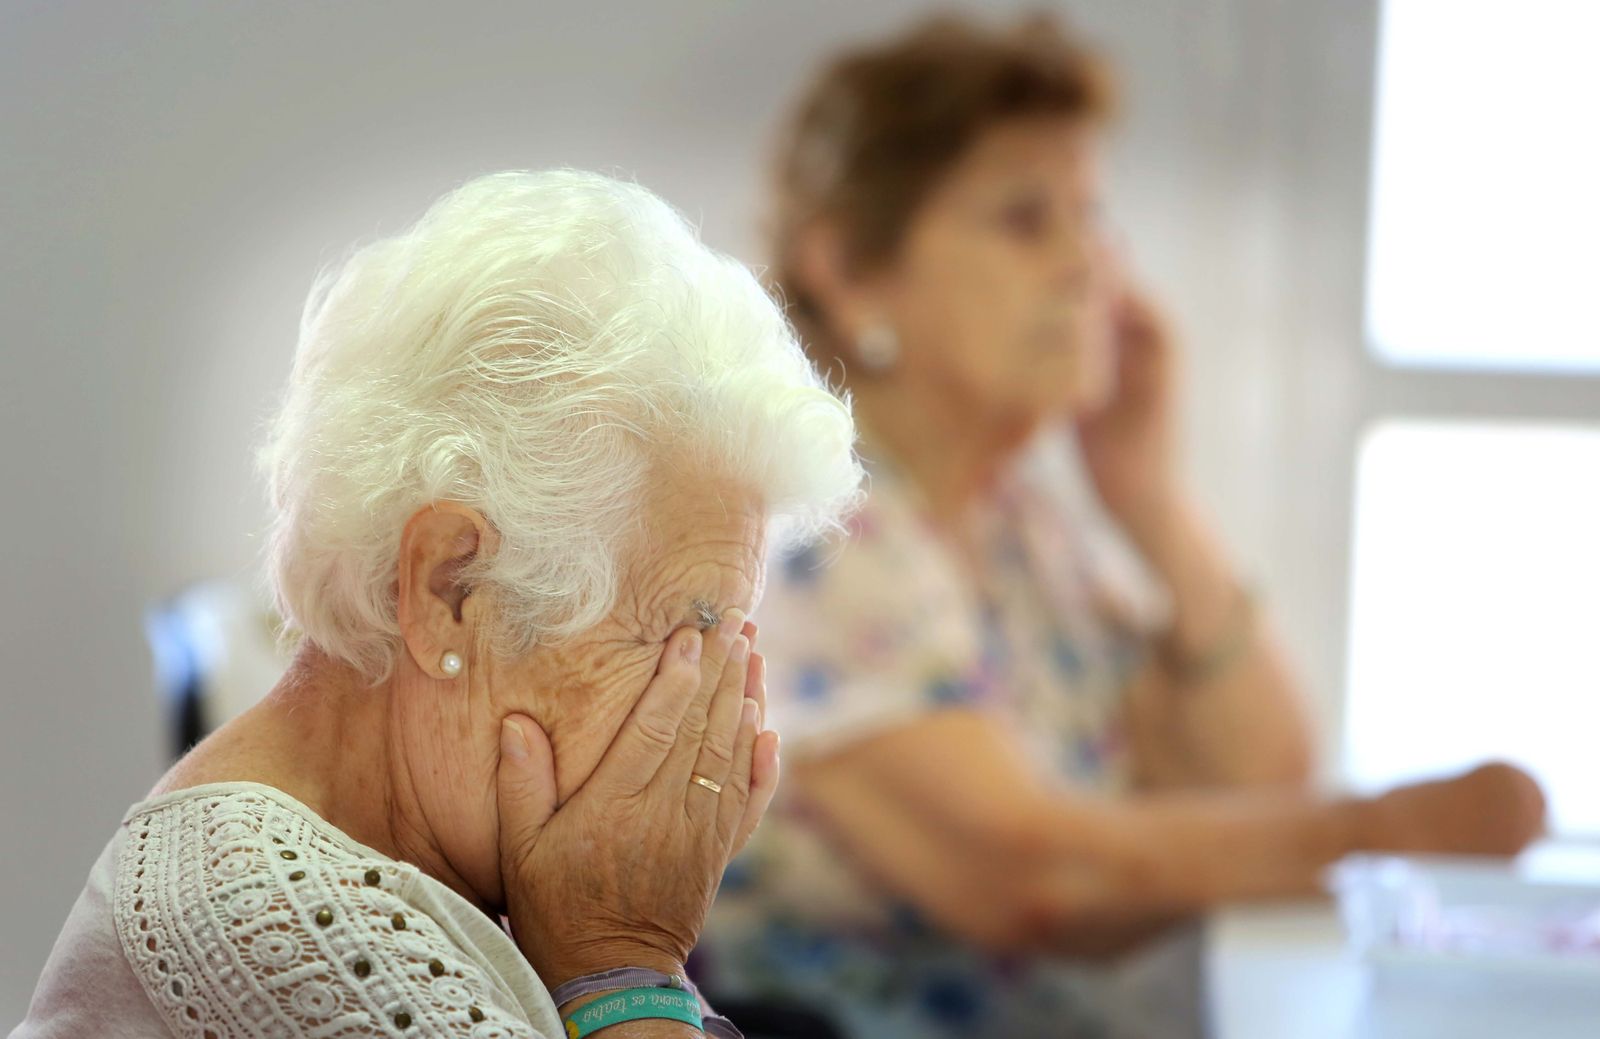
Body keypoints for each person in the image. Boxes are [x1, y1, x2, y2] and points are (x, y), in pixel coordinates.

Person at [695, 16, 1547, 1038]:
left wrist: (1149, 496)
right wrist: (1396, 831)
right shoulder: (818, 527)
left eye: (1092, 217)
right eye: (1024, 219)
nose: (1088, 265)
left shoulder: (1013, 520)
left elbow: (1251, 775)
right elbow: (1035, 876)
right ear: (847, 269)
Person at [12, 170, 863, 1039]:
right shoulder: (291, 931)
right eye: (687, 632)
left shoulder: (417, 870)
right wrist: (626, 964)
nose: (734, 715)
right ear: (448, 589)